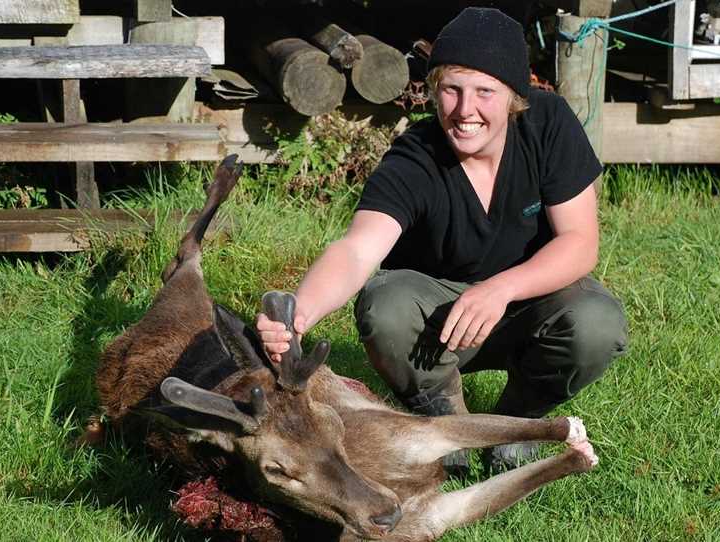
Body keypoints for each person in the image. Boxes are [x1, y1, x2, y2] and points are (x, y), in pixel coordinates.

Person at [257, 7, 628, 473]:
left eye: (485, 92)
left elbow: (579, 242)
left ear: (514, 96)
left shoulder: (548, 124)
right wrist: (301, 314)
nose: (465, 110)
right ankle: (446, 418)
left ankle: (517, 420)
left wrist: (501, 288)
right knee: (384, 303)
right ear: (434, 91)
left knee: (597, 322)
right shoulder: (417, 155)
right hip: (439, 321)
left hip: (533, 300)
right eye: (451, 89)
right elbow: (357, 249)